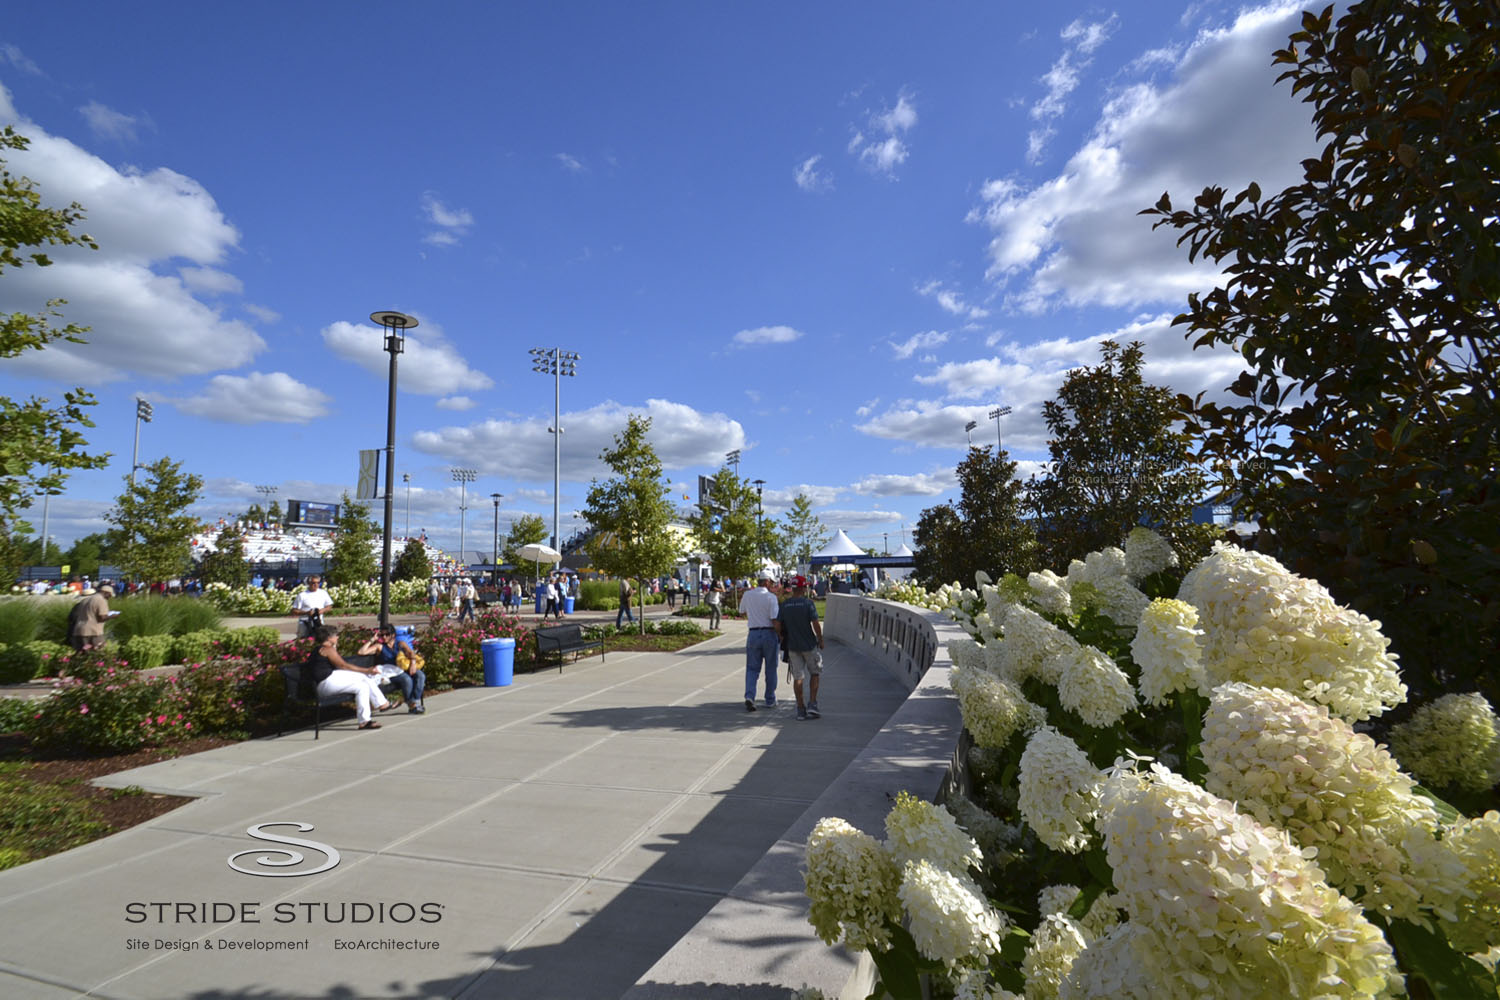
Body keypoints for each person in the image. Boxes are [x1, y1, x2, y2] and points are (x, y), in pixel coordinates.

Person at [307, 625, 393, 730]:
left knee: (362, 686)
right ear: (329, 638)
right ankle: (382, 704)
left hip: (326, 682)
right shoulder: (327, 649)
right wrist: (367, 670)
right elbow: (343, 665)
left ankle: (365, 721)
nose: (337, 637)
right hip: (325, 684)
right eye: (336, 635)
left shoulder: (323, 648)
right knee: (364, 677)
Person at [778, 576, 825, 720]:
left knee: (798, 678)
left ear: (792, 588)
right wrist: (820, 639)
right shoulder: (808, 604)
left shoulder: (785, 605)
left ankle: (800, 708)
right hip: (809, 645)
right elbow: (816, 624)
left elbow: (778, 624)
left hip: (793, 646)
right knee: (815, 673)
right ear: (804, 588)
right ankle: (812, 704)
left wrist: (782, 638)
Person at [358, 625, 426, 714]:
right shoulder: (380, 646)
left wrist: (413, 663)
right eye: (382, 635)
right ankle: (412, 705)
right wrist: (372, 640)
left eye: (387, 634)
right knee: (406, 679)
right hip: (391, 672)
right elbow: (361, 652)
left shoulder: (400, 643)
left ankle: (414, 701)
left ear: (393, 635)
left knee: (420, 675)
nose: (384, 637)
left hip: (404, 667)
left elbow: (410, 652)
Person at [741, 573, 780, 712]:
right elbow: (774, 619)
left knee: (752, 668)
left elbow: (742, 611)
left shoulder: (748, 595)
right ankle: (770, 698)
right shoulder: (771, 597)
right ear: (767, 582)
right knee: (770, 668)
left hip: (753, 632)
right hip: (769, 633)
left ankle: (750, 696)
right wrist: (781, 635)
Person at [68, 582, 115, 653]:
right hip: (94, 632)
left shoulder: (84, 600)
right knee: (98, 655)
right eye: (110, 595)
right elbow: (101, 618)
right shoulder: (101, 600)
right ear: (106, 592)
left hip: (79, 630)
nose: (109, 597)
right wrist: (112, 616)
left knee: (82, 655)